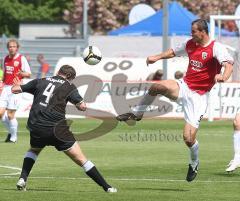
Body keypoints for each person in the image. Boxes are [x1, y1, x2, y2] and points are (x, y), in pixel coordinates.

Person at [116, 19, 234, 182]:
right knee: (157, 87)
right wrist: (156, 57)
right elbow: (173, 52)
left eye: (194, 31)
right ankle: (137, 114)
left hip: (199, 97)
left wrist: (223, 76)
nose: (191, 34)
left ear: (203, 32)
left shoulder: (216, 48)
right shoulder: (190, 44)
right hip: (184, 86)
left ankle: (194, 162)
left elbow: (228, 64)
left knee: (188, 138)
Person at [11, 65, 117, 193]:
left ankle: (22, 178)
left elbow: (15, 89)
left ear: (58, 72)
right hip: (57, 130)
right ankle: (107, 187)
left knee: (34, 150)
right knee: (81, 159)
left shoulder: (41, 81)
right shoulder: (69, 86)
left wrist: (19, 84)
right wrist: (80, 105)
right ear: (69, 77)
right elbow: (82, 106)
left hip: (37, 126)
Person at [0, 39, 31, 143]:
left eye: (14, 46)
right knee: (0, 114)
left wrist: (21, 74)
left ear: (17, 48)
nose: (12, 48)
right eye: (10, 47)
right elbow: (5, 74)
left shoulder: (21, 58)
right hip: (6, 88)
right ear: (7, 48)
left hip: (16, 88)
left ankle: (13, 137)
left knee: (10, 115)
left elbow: (28, 74)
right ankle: (11, 132)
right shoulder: (5, 59)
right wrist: (1, 83)